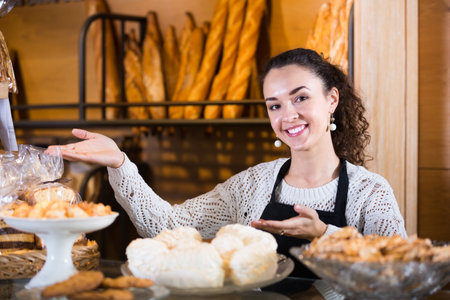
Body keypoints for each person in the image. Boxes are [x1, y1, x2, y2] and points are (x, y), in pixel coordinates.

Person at [47, 48, 407, 297]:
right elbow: (167, 227)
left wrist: (325, 235)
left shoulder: (369, 192)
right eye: (274, 105)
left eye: (301, 98)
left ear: (331, 100)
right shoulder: (253, 184)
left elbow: (399, 281)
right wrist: (120, 164)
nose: (288, 115)